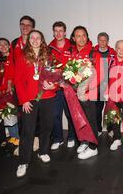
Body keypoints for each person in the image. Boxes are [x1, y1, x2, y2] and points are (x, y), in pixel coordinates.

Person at [14, 30, 58, 177]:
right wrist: (24, 100)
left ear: (42, 40)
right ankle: (23, 161)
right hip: (30, 99)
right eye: (32, 38)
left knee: (47, 126)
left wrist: (54, 86)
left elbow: (57, 75)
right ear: (28, 40)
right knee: (28, 130)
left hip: (48, 96)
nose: (35, 40)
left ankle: (43, 151)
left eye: (38, 37)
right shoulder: (22, 55)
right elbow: (18, 80)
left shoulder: (49, 55)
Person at [63, 26, 100, 160]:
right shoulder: (71, 52)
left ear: (87, 36)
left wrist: (87, 91)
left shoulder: (93, 53)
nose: (81, 38)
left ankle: (93, 147)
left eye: (83, 35)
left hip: (88, 94)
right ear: (73, 38)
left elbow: (100, 75)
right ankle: (84, 141)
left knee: (91, 120)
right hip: (74, 94)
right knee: (79, 119)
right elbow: (66, 72)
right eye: (78, 36)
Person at [48, 21, 76, 150]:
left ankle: (71, 137)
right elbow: (47, 68)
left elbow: (77, 66)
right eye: (56, 31)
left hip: (69, 87)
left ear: (65, 32)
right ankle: (58, 138)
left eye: (61, 30)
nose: (58, 33)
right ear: (53, 32)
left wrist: (69, 81)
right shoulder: (49, 47)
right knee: (55, 114)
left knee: (70, 114)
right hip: (55, 88)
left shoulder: (72, 46)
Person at [0, 38, 19, 146]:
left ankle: (17, 136)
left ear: (9, 45)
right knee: (7, 114)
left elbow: (13, 73)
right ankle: (12, 135)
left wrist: (10, 86)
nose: (3, 46)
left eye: (5, 44)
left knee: (14, 113)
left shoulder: (13, 57)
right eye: (0, 44)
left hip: (12, 88)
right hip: (1, 90)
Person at [94, 32, 116, 136]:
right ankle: (98, 128)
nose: (102, 42)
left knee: (110, 109)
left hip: (109, 86)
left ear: (107, 41)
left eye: (104, 40)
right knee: (97, 110)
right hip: (97, 87)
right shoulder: (92, 53)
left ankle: (110, 128)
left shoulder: (113, 53)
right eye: (100, 40)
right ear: (97, 41)